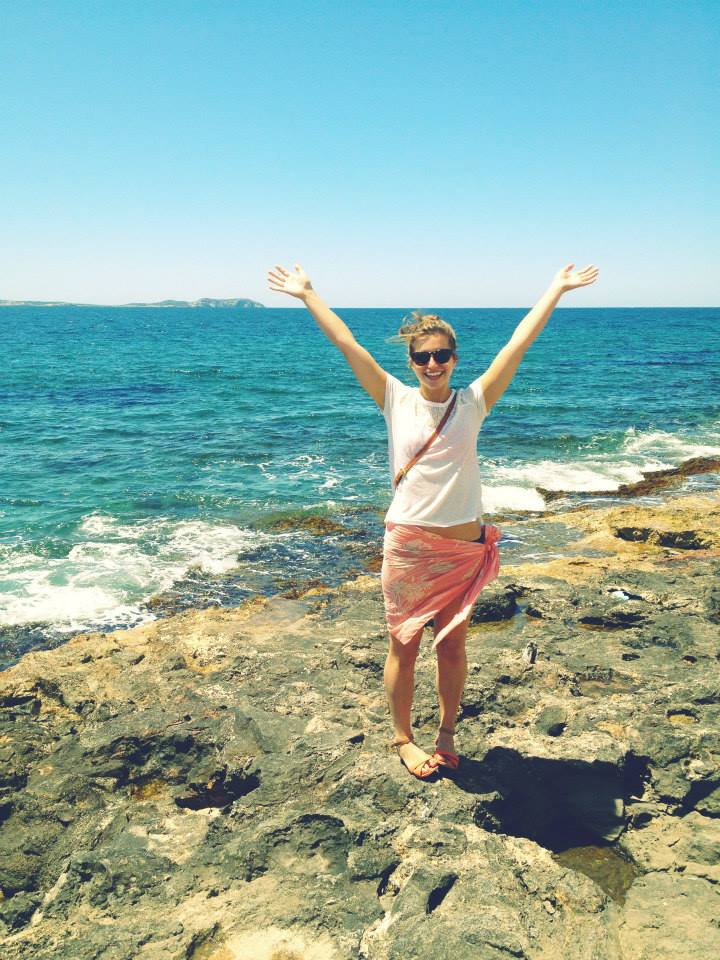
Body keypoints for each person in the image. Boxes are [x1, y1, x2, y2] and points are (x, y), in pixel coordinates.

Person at [267, 262, 599, 779]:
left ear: (454, 358)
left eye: (441, 355)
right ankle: (403, 737)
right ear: (411, 361)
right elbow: (349, 345)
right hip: (410, 545)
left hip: (464, 549)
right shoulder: (394, 399)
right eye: (422, 357)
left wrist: (555, 289)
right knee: (404, 644)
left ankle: (446, 730)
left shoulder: (474, 401)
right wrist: (308, 294)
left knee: (453, 646)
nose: (432, 363)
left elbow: (517, 345)